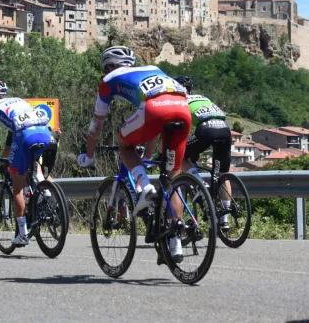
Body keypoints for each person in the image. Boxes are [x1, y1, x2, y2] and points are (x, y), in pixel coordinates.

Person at [77, 46, 191, 262]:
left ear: (109, 67)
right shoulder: (152, 69)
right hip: (183, 108)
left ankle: (145, 188)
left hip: (155, 109)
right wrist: (146, 159)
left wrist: (89, 156)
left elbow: (96, 126)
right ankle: (175, 242)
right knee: (172, 178)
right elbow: (154, 129)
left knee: (125, 145)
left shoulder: (109, 79)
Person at [0, 80, 52, 246]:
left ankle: (22, 234)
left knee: (17, 187)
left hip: (25, 135)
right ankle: (43, 187)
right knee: (33, 160)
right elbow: (11, 140)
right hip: (45, 133)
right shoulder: (19, 101)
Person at [173, 75, 233, 230]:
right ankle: (224, 220)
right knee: (222, 174)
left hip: (207, 130)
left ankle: (200, 184)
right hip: (225, 129)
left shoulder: (179, 102)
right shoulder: (203, 97)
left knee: (182, 157)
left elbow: (180, 132)